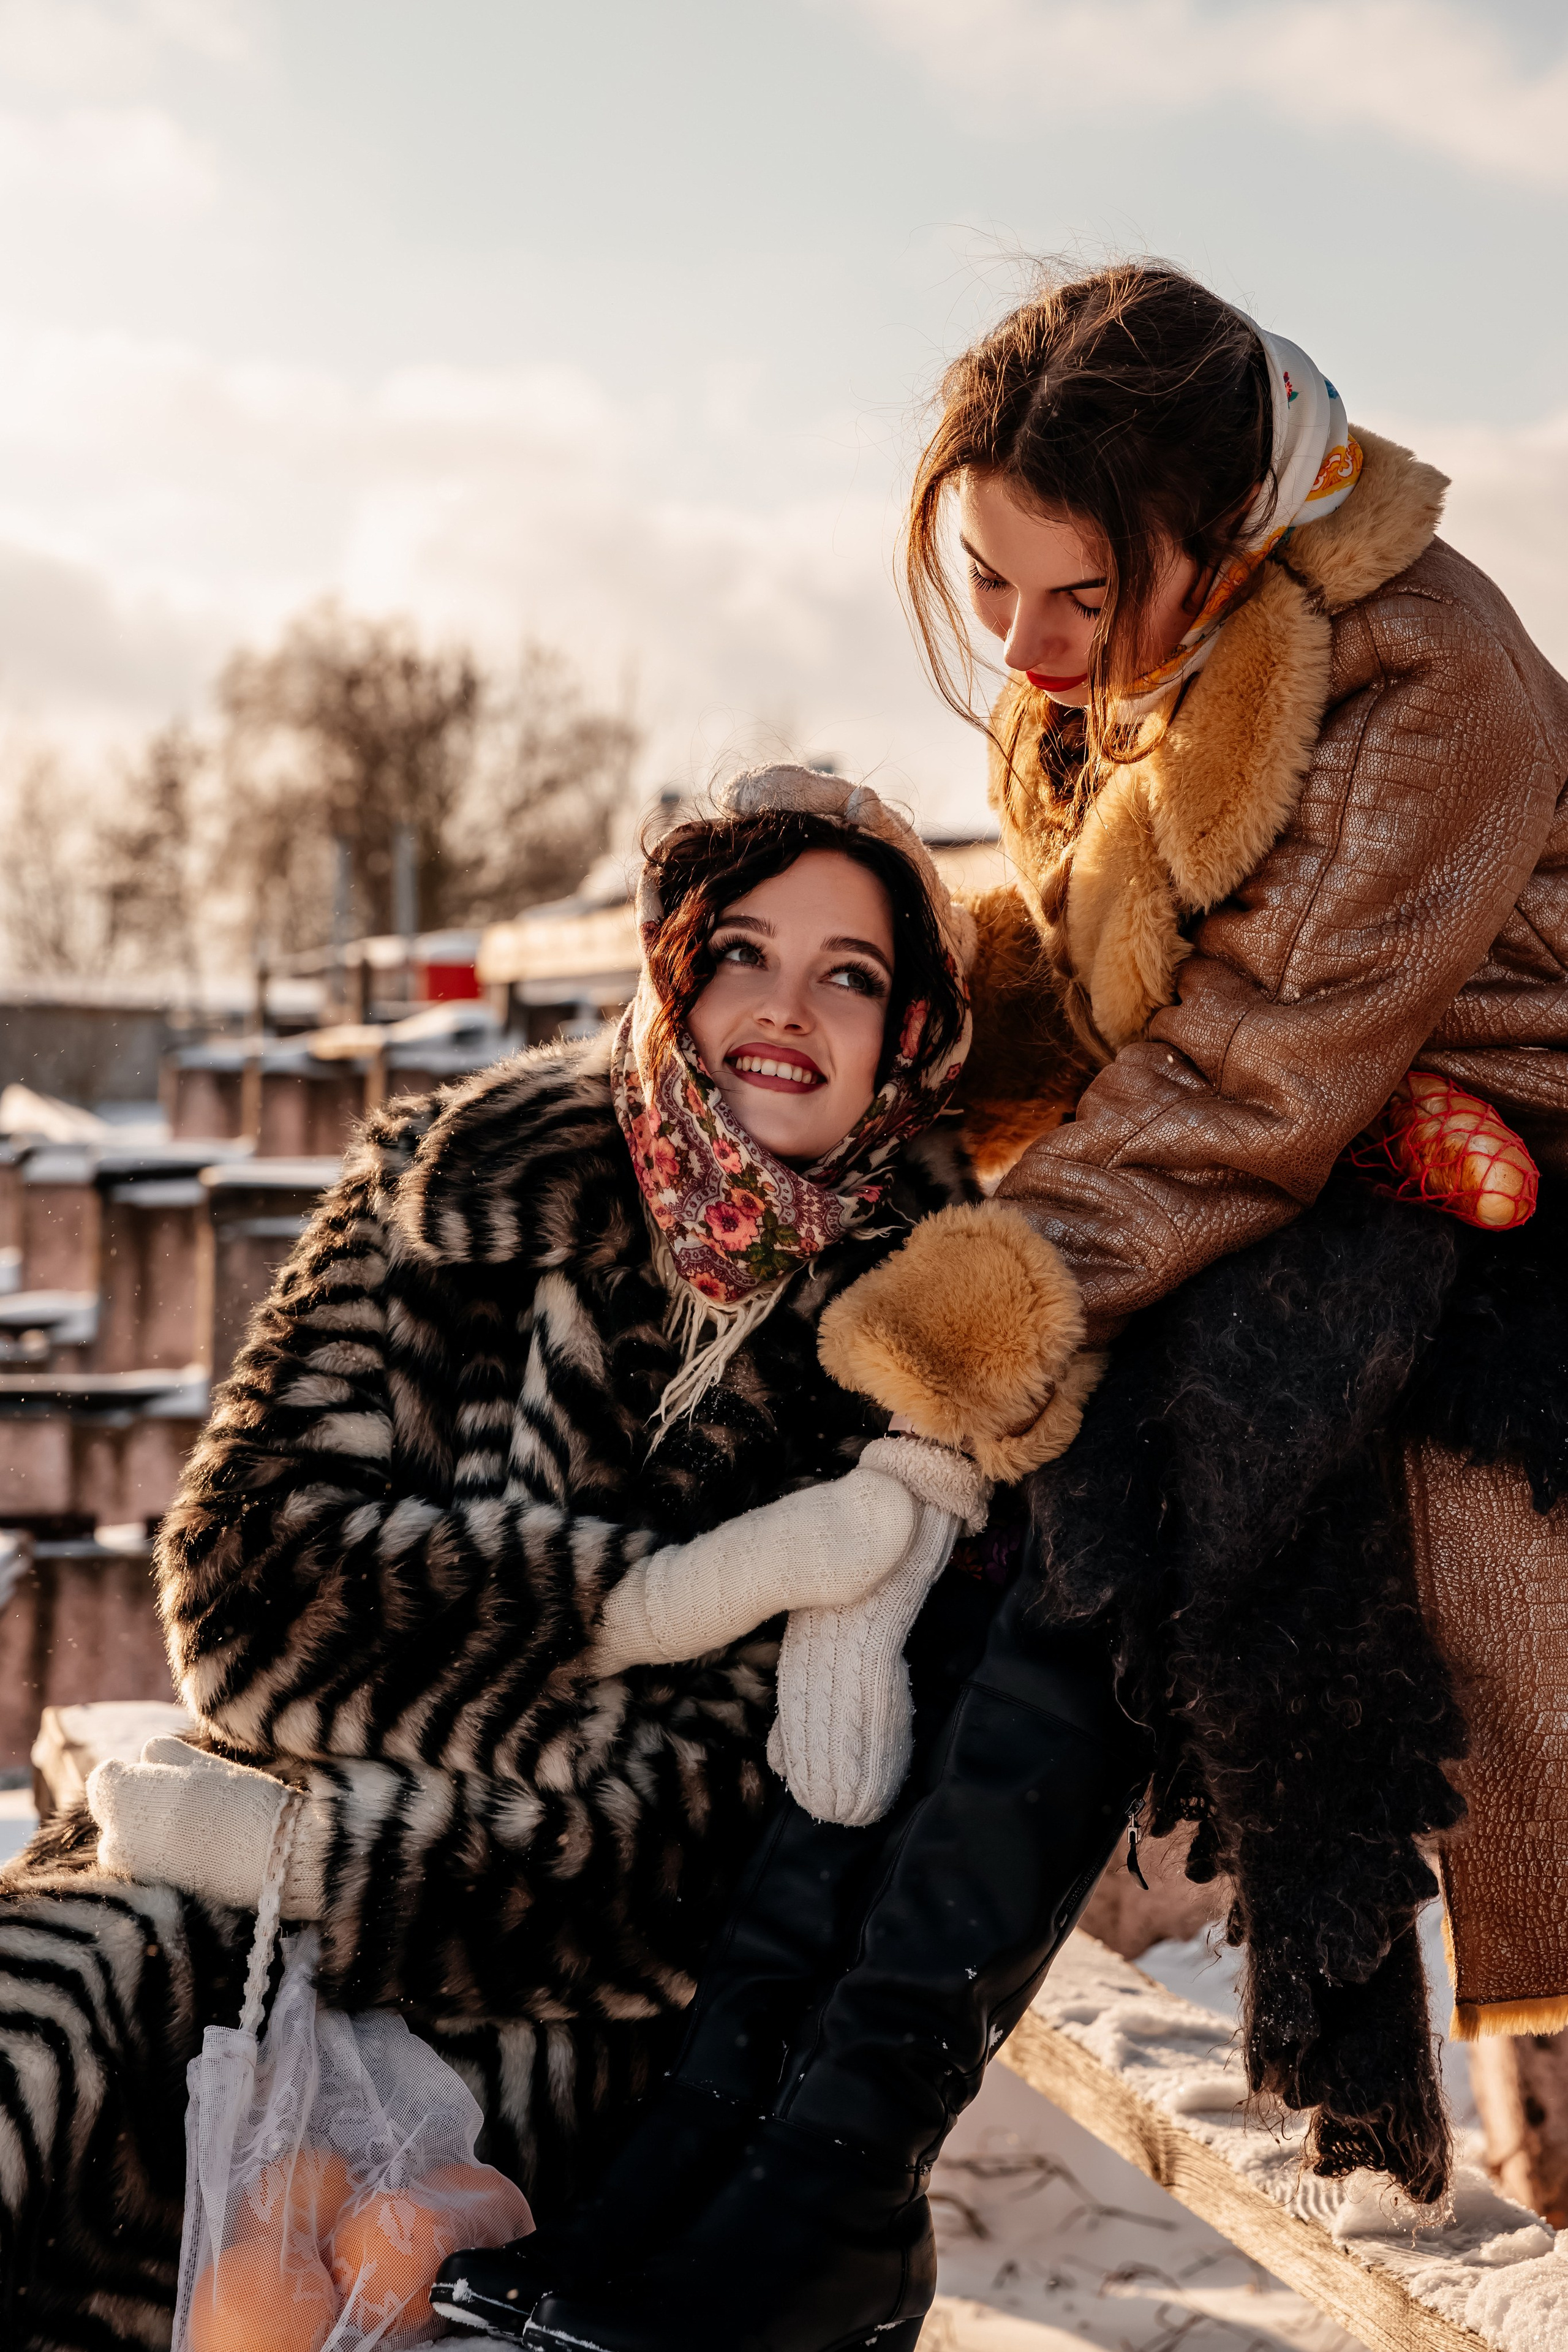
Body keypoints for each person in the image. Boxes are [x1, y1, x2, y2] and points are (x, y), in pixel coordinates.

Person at [491, 263, 1568, 2352]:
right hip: (1257, 1162)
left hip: (1478, 1188)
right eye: (986, 581)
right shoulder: (1117, 668)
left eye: (1073, 595)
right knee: (934, 1537)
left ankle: (816, 2191)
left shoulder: (1436, 677)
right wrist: (844, 988)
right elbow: (1092, 983)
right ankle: (703, 2150)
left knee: (1093, 1509)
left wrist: (962, 1325)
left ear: (1218, 523)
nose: (1021, 647)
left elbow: (1253, 1068)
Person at [0, 766, 993, 2351]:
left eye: (851, 974)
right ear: (675, 966)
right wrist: (651, 1605)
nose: (786, 1006)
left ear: (911, 1033)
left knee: (336, 2270)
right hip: (222, 1928)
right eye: (743, 950)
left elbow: (703, 1854)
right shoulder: (442, 1187)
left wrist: (308, 1847)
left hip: (560, 2045)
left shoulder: (920, 1358)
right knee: (49, 2019)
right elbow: (244, 1592)